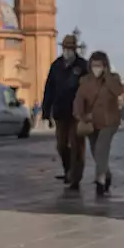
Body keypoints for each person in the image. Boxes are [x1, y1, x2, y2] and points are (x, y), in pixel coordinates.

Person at [72, 51, 124, 196]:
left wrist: (107, 77)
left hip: (109, 122)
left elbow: (118, 91)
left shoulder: (113, 78)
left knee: (101, 149)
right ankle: (106, 174)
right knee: (96, 152)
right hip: (91, 121)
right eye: (94, 65)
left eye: (99, 65)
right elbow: (79, 99)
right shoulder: (85, 80)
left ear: (105, 66)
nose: (97, 68)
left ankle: (100, 180)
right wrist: (79, 115)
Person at [42, 33, 88, 187]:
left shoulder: (83, 66)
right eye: (65, 48)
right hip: (61, 111)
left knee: (77, 145)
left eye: (70, 48)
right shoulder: (56, 66)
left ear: (74, 49)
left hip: (78, 112)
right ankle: (68, 169)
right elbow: (49, 88)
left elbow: (90, 89)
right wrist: (46, 111)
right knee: (61, 145)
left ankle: (75, 177)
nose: (67, 50)